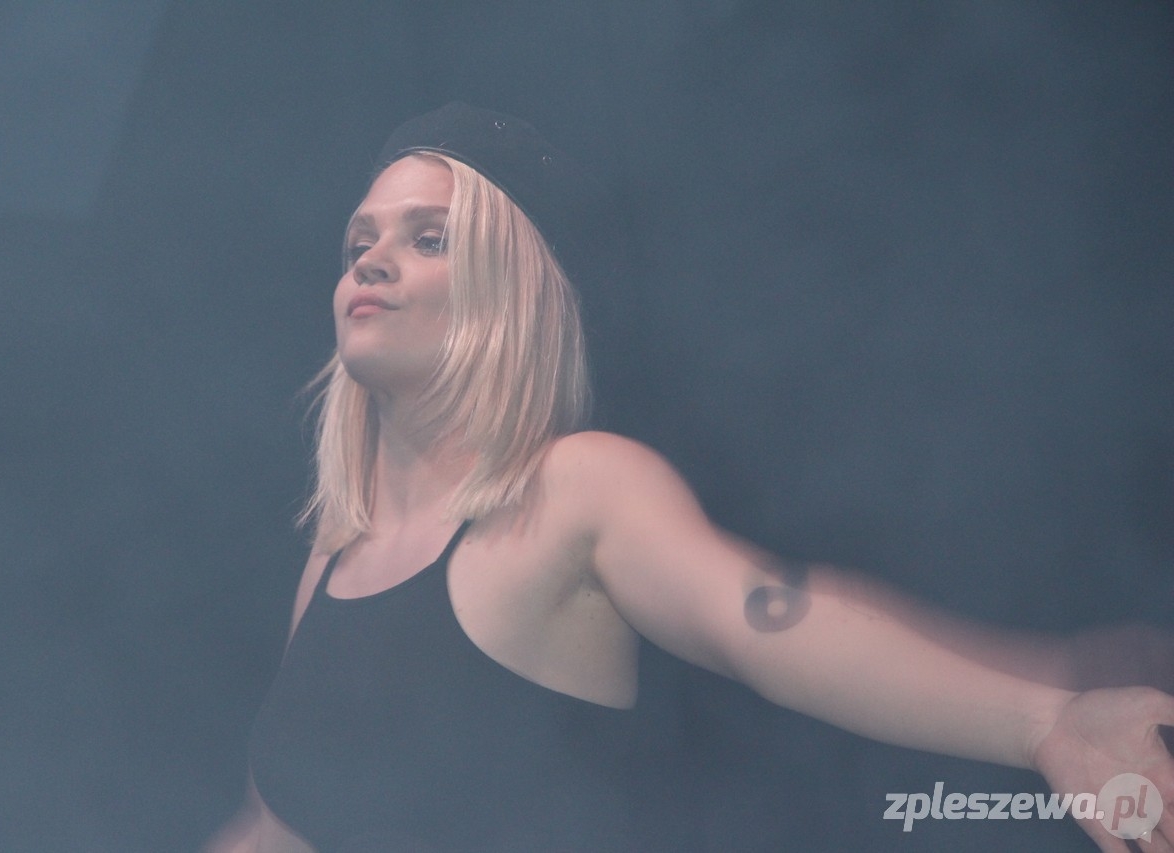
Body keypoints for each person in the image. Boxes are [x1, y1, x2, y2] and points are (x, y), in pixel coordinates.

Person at [207, 103, 1174, 852]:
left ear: (514, 293)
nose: (372, 260)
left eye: (428, 238)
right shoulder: (336, 555)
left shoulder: (573, 488)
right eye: (360, 242)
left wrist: (1045, 720)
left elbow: (769, 620)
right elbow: (284, 823)